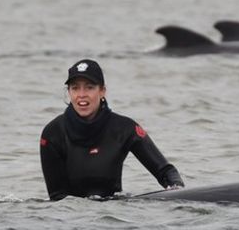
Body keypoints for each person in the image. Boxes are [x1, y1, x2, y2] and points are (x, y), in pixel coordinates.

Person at [40, 59, 184, 200]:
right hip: (72, 219)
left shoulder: (124, 128)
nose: (81, 94)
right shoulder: (53, 133)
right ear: (69, 92)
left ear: (102, 91)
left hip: (114, 215)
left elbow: (166, 172)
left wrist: (178, 193)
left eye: (89, 87)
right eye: (75, 88)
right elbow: (57, 198)